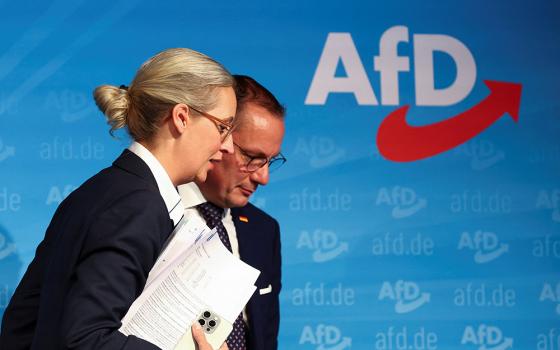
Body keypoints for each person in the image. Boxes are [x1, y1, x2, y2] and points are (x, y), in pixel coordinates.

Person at [0, 48, 235, 350]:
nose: (227, 146)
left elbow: (22, 322)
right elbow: (87, 338)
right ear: (181, 117)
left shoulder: (100, 190)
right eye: (223, 127)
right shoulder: (137, 206)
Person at [178, 75, 286, 350]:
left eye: (270, 161)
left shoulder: (264, 230)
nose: (263, 177)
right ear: (218, 137)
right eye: (252, 157)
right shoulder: (155, 213)